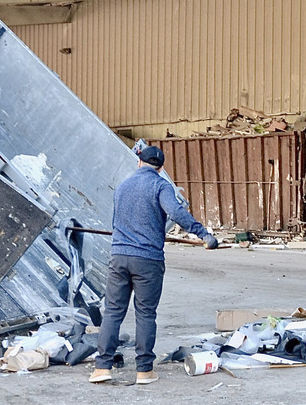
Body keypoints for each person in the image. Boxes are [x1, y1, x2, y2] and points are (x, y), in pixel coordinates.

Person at [92, 144, 218, 385]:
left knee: (113, 312)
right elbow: (177, 212)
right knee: (145, 313)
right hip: (147, 260)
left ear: (139, 162)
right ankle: (144, 371)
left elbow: (117, 220)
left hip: (118, 257)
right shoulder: (160, 185)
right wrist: (204, 235)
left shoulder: (122, 186)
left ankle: (102, 368)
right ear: (160, 168)